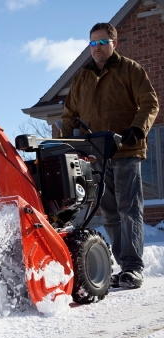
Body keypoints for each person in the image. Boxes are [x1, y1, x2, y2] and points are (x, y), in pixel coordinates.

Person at [61, 22, 159, 289]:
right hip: (96, 156)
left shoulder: (129, 69)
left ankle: (133, 267)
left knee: (129, 209)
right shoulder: (82, 78)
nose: (97, 48)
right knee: (110, 213)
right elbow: (69, 115)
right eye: (93, 43)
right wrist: (67, 146)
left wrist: (138, 128)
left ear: (114, 43)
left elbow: (150, 102)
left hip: (125, 150)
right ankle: (123, 266)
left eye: (102, 42)